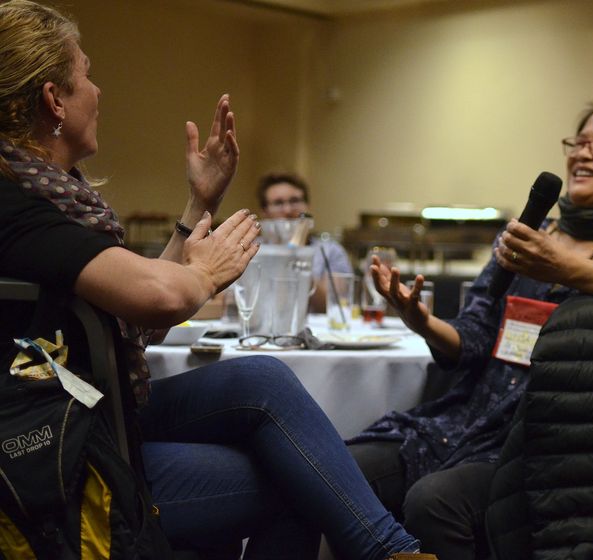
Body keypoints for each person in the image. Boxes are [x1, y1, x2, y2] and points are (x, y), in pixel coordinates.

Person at [0, 2, 435, 559]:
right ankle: (392, 552)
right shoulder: (15, 204)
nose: (98, 90)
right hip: (62, 454)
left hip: (96, 412)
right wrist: (204, 272)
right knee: (301, 479)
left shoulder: (46, 194)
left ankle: (392, 551)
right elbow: (160, 295)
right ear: (54, 99)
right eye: (86, 74)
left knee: (262, 380)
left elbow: (133, 316)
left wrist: (199, 204)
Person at [348, 101, 593, 558]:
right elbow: (475, 336)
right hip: (466, 422)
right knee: (342, 470)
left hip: (543, 444)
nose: (583, 153)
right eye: (578, 142)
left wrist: (566, 267)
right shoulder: (531, 236)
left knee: (433, 502)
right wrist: (421, 320)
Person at [258, 172, 352, 312]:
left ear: (307, 206)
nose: (288, 210)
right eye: (278, 203)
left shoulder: (331, 251)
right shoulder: (251, 250)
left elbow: (336, 306)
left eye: (294, 201)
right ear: (264, 211)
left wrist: (297, 258)